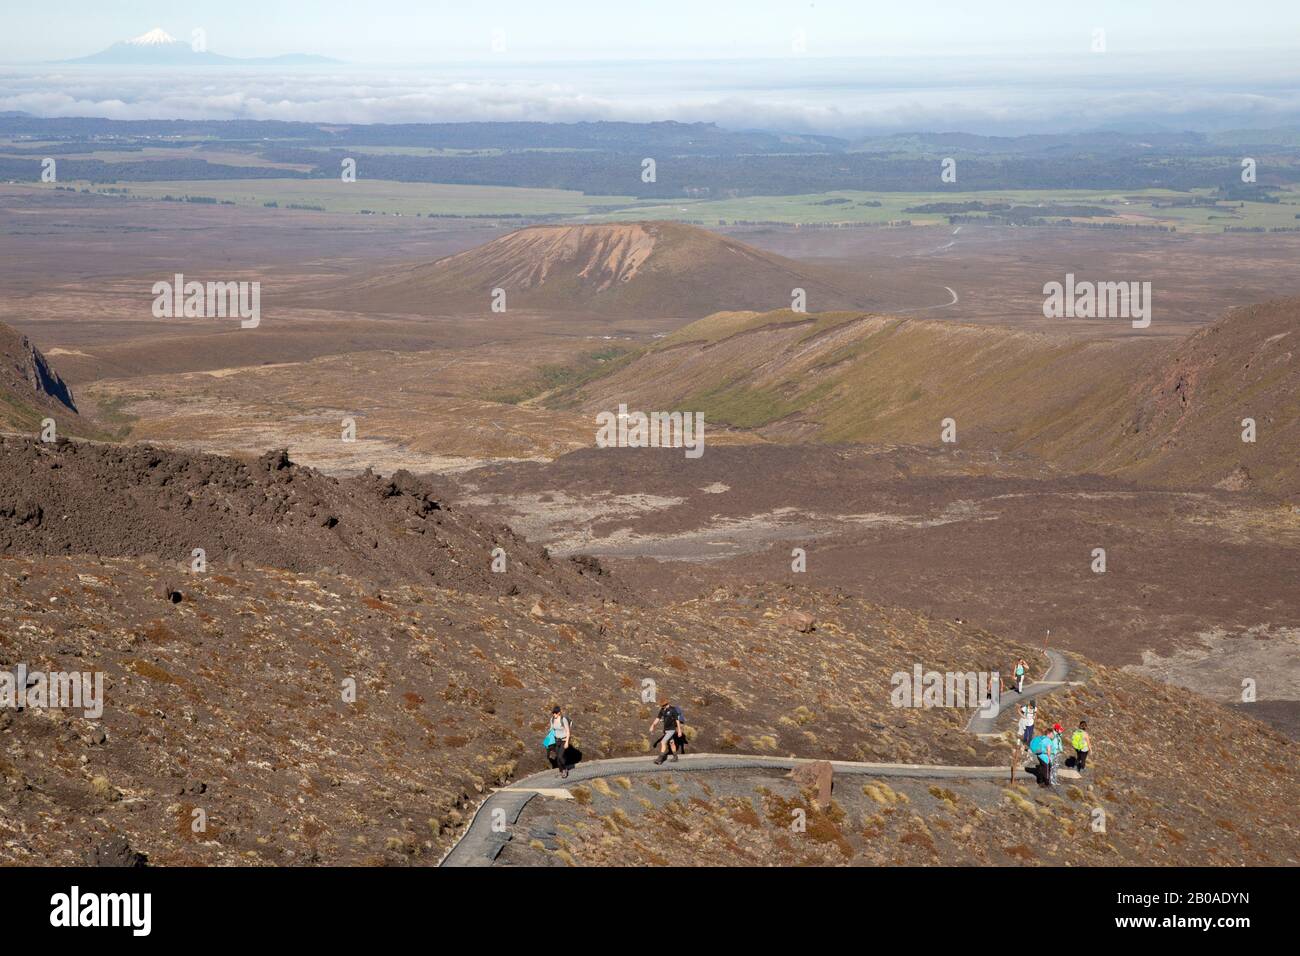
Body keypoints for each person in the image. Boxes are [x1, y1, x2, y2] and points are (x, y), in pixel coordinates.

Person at [649, 699, 682, 764]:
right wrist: (653, 725)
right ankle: (675, 757)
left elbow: (677, 721)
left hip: (671, 729)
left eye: (662, 706)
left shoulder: (673, 710)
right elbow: (657, 718)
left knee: (663, 742)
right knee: (672, 743)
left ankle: (659, 759)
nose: (661, 707)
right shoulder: (662, 710)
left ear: (666, 704)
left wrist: (679, 730)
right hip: (666, 730)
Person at [546, 705, 572, 779]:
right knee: (558, 758)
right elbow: (551, 729)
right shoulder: (552, 720)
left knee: (560, 756)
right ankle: (561, 771)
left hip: (563, 740)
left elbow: (568, 732)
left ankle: (564, 770)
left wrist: (567, 742)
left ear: (559, 713)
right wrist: (548, 739)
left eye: (555, 713)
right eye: (553, 713)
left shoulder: (563, 720)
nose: (554, 714)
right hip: (557, 740)